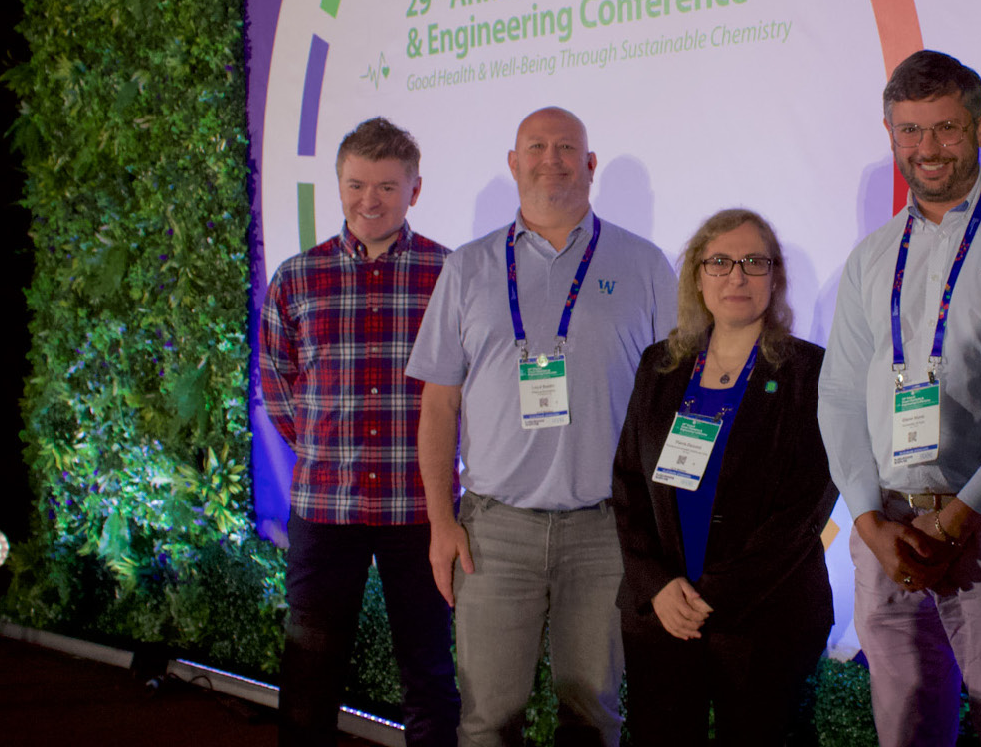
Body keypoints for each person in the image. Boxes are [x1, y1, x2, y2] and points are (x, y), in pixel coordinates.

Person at [819, 50, 981, 746]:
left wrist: (962, 516)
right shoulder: (872, 257)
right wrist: (868, 519)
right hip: (889, 534)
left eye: (944, 128)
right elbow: (843, 392)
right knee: (905, 729)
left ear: (980, 127)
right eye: (910, 130)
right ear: (889, 135)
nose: (928, 148)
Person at [409, 106, 677, 747]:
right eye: (536, 147)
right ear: (513, 163)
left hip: (606, 531)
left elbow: (676, 399)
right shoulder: (469, 267)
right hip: (496, 532)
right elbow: (438, 406)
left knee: (594, 717)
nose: (550, 159)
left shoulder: (644, 265)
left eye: (566, 148)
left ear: (589, 165)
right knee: (487, 720)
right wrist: (443, 523)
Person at [261, 117, 460, 747]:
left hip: (419, 512)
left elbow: (471, 391)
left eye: (386, 187)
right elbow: (279, 387)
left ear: (415, 190)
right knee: (309, 675)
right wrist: (330, 451)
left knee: (428, 673)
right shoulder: (296, 278)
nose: (368, 201)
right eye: (355, 185)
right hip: (325, 511)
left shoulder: (449, 274)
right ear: (338, 185)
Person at [611, 209, 837, 747]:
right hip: (662, 615)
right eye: (719, 262)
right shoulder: (660, 365)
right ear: (696, 276)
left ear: (775, 277)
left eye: (753, 262)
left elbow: (807, 504)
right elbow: (627, 485)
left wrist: (714, 596)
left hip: (765, 620)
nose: (736, 276)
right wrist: (658, 586)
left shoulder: (809, 372)